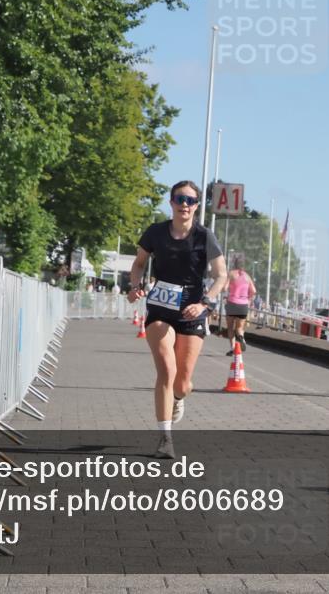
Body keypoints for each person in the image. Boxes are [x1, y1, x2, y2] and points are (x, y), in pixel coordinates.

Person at [128, 180, 227, 458]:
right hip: (160, 308)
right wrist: (135, 286)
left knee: (182, 382)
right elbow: (138, 265)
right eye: (180, 199)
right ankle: (165, 438)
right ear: (171, 202)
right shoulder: (156, 233)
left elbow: (222, 275)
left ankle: (179, 398)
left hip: (191, 311)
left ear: (197, 206)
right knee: (166, 372)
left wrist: (205, 303)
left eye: (190, 200)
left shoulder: (204, 236)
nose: (185, 205)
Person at [223, 256, 256, 356]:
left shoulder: (231, 274)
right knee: (239, 328)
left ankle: (232, 347)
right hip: (243, 304)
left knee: (230, 327)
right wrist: (248, 298)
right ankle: (241, 338)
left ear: (235, 264)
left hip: (232, 302)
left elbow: (224, 288)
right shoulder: (247, 276)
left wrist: (227, 292)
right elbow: (254, 291)